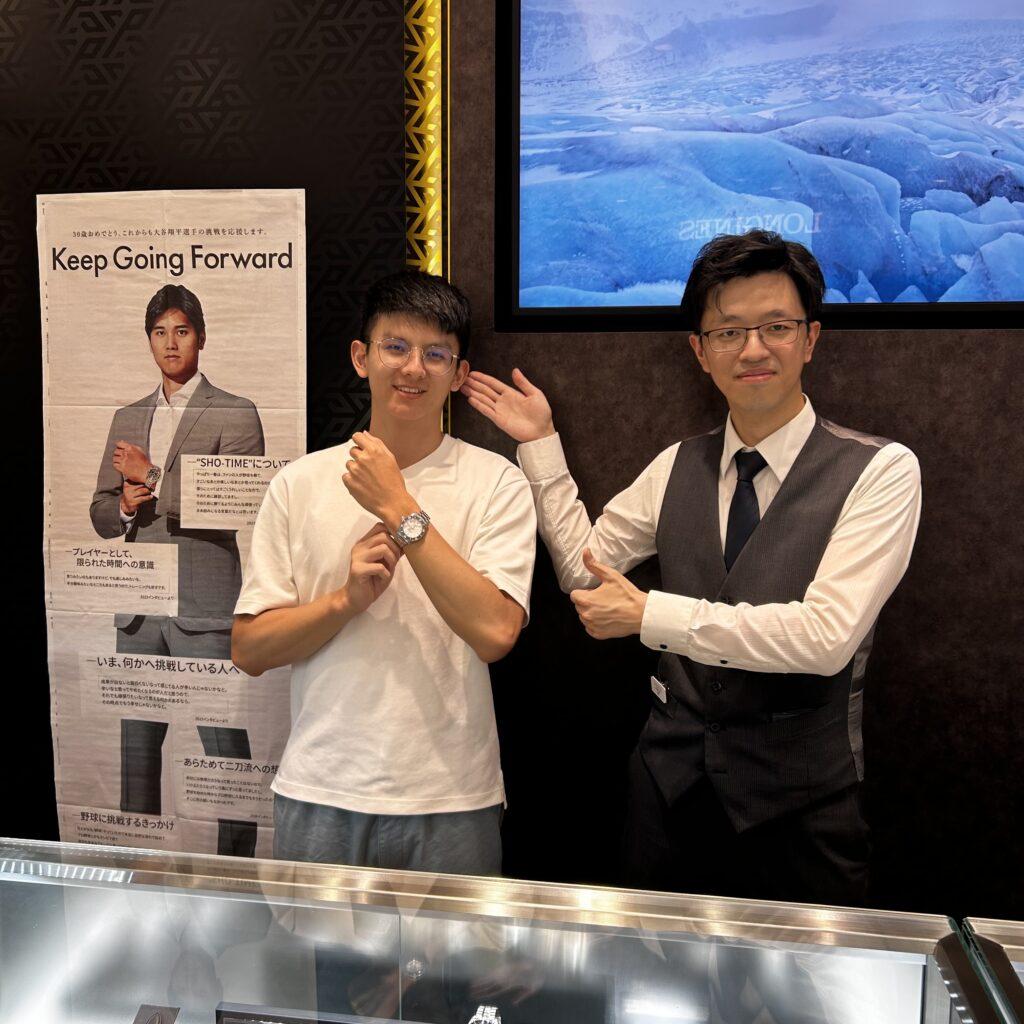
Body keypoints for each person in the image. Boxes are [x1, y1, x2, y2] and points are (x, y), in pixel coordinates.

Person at [461, 230, 922, 906]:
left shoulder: (881, 470)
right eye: (729, 332)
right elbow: (586, 573)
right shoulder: (675, 464)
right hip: (666, 798)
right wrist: (540, 445)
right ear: (700, 352)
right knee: (650, 970)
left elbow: (826, 639)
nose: (754, 349)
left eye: (776, 327)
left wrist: (651, 615)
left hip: (803, 815)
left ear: (811, 338)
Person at [232, 270, 536, 875]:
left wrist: (398, 506)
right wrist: (344, 601)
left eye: (435, 354)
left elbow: (495, 633)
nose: (413, 368)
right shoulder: (299, 483)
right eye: (395, 347)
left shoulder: (497, 481)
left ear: (459, 373)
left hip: (452, 796)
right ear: (361, 357)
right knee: (318, 943)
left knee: (455, 945)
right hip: (321, 788)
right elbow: (250, 649)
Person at [91, 284, 264, 658]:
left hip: (205, 610)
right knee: (135, 701)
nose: (170, 343)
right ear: (149, 341)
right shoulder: (127, 417)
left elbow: (233, 507)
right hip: (138, 612)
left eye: (181, 331)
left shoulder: (236, 412)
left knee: (213, 701)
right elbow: (100, 513)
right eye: (160, 332)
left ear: (201, 338)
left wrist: (150, 476)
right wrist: (124, 507)